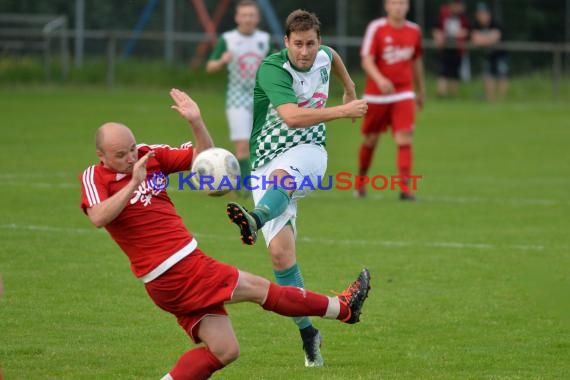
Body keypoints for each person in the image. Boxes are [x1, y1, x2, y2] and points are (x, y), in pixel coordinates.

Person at [78, 88, 370, 380]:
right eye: (120, 155)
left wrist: (196, 121)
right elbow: (98, 216)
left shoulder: (146, 155)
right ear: (101, 156)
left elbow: (205, 161)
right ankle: (342, 309)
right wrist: (133, 184)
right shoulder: (95, 176)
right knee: (261, 289)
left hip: (178, 271)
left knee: (224, 350)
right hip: (173, 270)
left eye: (131, 148)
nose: (130, 157)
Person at [225, 10, 368, 367]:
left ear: (318, 41)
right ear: (285, 42)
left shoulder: (324, 54)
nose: (305, 51)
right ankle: (309, 333)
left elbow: (333, 58)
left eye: (311, 43)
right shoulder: (273, 69)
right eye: (298, 44)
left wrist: (349, 87)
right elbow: (290, 116)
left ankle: (254, 219)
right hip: (264, 162)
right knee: (280, 257)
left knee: (284, 178)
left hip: (309, 153)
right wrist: (344, 108)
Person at [355, 0, 425, 200]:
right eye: (395, 3)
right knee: (371, 140)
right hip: (376, 95)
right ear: (387, 6)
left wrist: (421, 91)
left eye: (403, 3)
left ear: (408, 6)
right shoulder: (376, 28)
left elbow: (417, 61)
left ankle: (405, 189)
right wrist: (380, 79)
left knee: (404, 137)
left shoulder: (414, 31)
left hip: (403, 92)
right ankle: (360, 182)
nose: (399, 7)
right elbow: (366, 59)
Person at [206, 0, 271, 194]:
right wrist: (221, 61)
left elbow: (274, 63)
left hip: (261, 97)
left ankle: (258, 181)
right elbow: (210, 66)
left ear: (257, 18)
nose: (248, 19)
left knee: (259, 144)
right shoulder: (228, 39)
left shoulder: (264, 39)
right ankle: (244, 188)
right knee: (242, 144)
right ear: (237, 18)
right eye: (244, 15)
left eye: (251, 15)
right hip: (237, 98)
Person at [471, 2, 508, 101]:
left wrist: (483, 39)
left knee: (502, 75)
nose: (481, 16)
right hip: (488, 55)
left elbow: (496, 37)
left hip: (500, 54)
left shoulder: (495, 23)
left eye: (483, 13)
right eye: (479, 14)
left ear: (488, 14)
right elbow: (475, 40)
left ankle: (501, 99)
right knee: (488, 75)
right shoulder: (475, 25)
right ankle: (490, 98)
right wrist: (488, 39)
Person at [432, 0, 470, 97]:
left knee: (455, 73)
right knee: (443, 72)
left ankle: (454, 95)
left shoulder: (463, 17)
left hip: (457, 47)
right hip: (445, 47)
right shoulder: (443, 14)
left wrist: (463, 33)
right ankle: (441, 94)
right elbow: (436, 28)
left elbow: (468, 30)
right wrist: (439, 37)